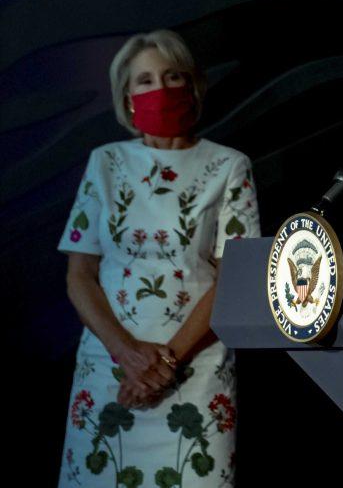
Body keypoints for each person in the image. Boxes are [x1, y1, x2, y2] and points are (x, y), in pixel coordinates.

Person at [58, 30, 260, 488]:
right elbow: (79, 275)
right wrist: (127, 355)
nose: (160, 88)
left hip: (197, 370)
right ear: (127, 98)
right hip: (109, 373)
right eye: (145, 80)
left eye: (172, 76)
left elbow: (235, 277)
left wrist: (164, 365)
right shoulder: (104, 163)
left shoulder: (230, 165)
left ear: (193, 87)